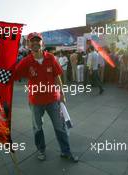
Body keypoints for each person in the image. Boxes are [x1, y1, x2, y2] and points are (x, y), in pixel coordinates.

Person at [14, 32, 78, 162]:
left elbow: (57, 77)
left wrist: (62, 95)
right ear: (28, 44)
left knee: (60, 127)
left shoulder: (51, 58)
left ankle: (66, 152)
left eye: (38, 40)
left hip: (53, 100)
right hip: (35, 102)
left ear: (42, 43)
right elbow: (13, 75)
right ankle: (41, 150)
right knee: (37, 128)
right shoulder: (26, 61)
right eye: (32, 41)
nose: (35, 43)